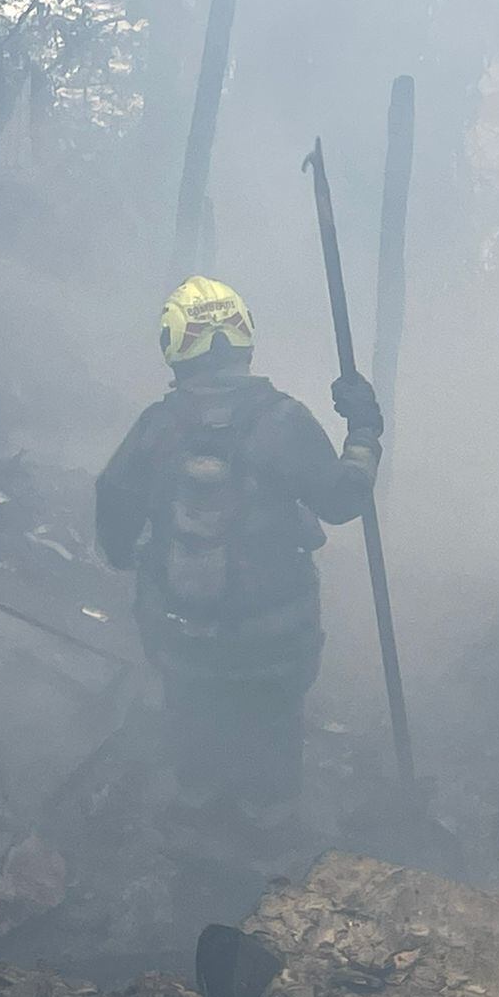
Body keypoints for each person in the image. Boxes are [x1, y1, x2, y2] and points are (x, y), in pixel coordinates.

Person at [96, 276, 382, 838]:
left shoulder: (157, 427)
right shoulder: (284, 421)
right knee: (273, 731)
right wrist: (365, 428)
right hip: (275, 641)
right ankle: (268, 832)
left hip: (183, 639)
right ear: (245, 338)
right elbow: (342, 500)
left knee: (190, 722)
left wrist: (127, 558)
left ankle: (194, 816)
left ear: (174, 344)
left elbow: (114, 506)